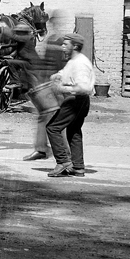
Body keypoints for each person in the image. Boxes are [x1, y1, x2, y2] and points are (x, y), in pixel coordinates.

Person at [46, 32, 95, 178]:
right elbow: (67, 72)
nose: (62, 47)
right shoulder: (74, 60)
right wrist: (57, 76)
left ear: (75, 46)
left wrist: (62, 88)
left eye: (65, 44)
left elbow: (84, 87)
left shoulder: (80, 63)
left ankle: (63, 162)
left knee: (52, 128)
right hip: (79, 101)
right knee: (73, 131)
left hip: (76, 100)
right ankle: (78, 167)